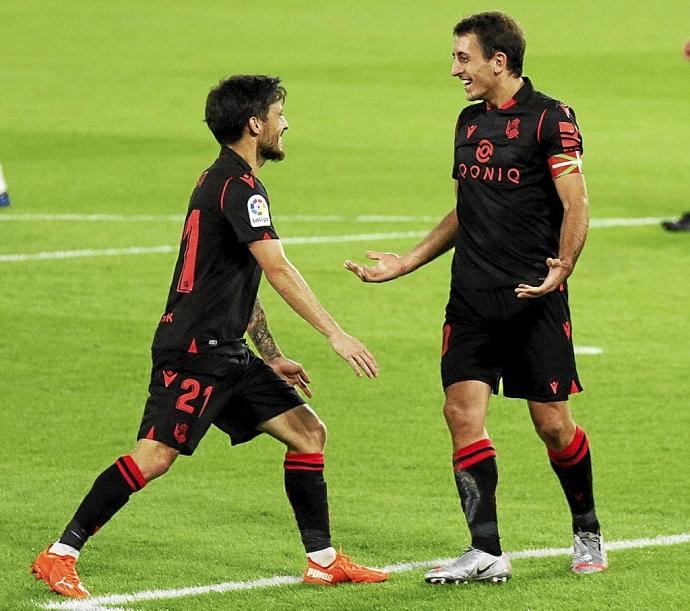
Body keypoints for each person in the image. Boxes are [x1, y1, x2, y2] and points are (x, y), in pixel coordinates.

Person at [32, 75, 388, 599]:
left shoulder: (223, 180)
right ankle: (59, 554)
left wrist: (271, 353)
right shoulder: (239, 187)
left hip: (230, 352)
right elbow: (277, 269)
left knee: (309, 433)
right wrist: (336, 334)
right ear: (254, 124)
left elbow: (232, 279)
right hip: (195, 352)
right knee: (153, 457)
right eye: (278, 113)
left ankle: (323, 560)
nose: (285, 122)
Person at [345, 12, 607, 584]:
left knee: (554, 427)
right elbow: (469, 208)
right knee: (461, 413)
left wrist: (563, 267)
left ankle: (586, 526)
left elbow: (577, 202)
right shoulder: (468, 123)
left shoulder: (551, 120)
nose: (455, 69)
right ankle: (485, 549)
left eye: (464, 58)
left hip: (532, 298)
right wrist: (408, 261)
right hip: (470, 299)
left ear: (499, 62)